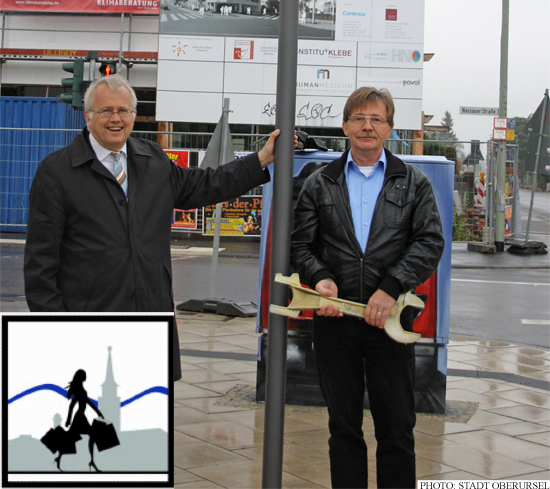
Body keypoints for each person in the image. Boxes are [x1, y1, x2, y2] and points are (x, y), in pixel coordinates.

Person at [25, 74, 280, 380]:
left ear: (134, 115)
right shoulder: (56, 172)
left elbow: (203, 185)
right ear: (88, 116)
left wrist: (261, 160)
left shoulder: (153, 160)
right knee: (96, 421)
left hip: (150, 321)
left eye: (124, 111)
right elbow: (40, 266)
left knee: (149, 420)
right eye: (106, 111)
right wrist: (60, 332)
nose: (116, 119)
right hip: (90, 327)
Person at [290, 87, 444, 489]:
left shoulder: (414, 183)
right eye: (359, 118)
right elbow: (300, 245)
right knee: (343, 428)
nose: (367, 126)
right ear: (345, 126)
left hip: (389, 323)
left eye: (376, 119)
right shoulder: (319, 182)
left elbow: (429, 242)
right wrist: (320, 278)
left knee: (396, 428)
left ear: (390, 128)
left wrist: (390, 288)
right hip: (335, 320)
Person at [58, 369, 104, 472]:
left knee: (72, 437)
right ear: (81, 377)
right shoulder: (79, 390)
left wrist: (98, 412)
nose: (86, 376)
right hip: (79, 418)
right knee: (89, 435)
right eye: (84, 375)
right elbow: (72, 405)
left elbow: (88, 402)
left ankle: (59, 457)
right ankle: (91, 461)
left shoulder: (81, 389)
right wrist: (68, 419)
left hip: (81, 417)